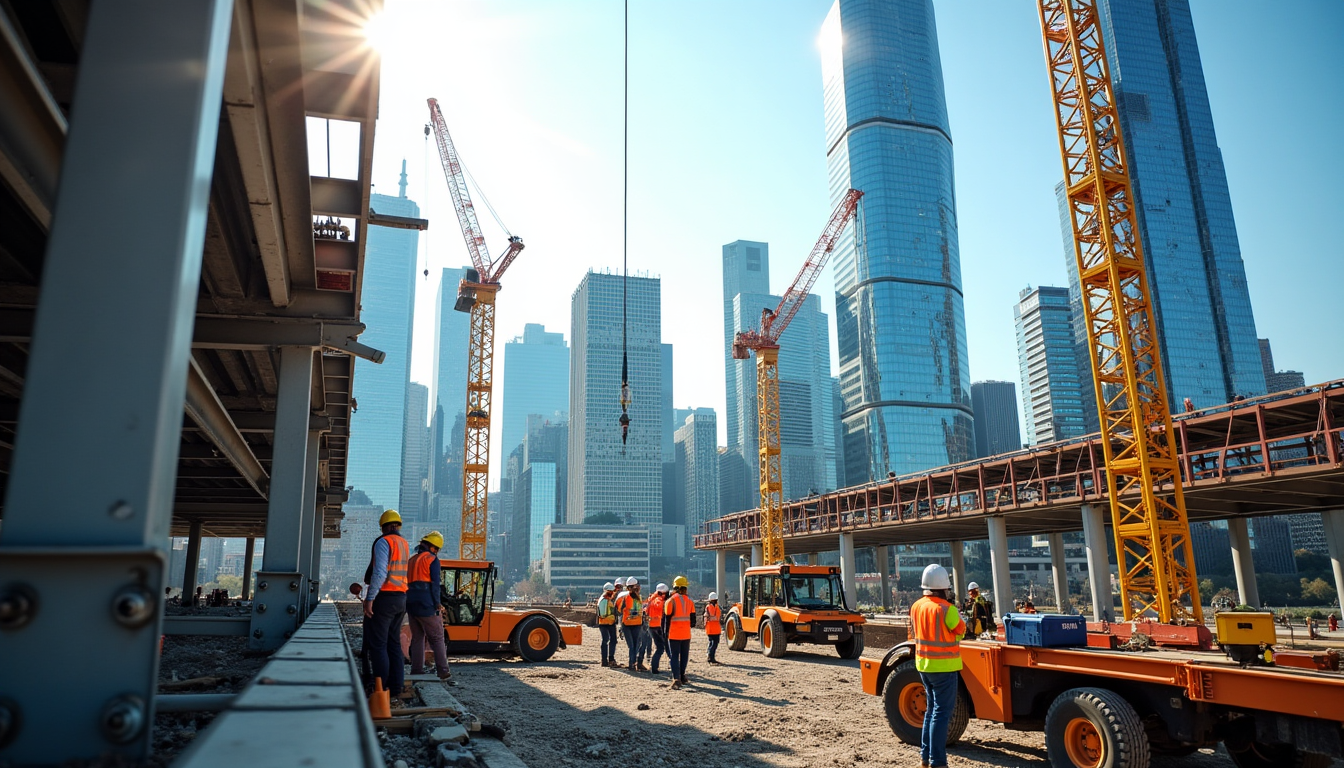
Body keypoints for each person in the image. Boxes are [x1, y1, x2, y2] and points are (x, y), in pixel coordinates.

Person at [911, 564, 966, 768]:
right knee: (941, 714)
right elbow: (961, 631)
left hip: (923, 665)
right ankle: (938, 762)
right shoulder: (947, 609)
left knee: (931, 711)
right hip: (944, 667)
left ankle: (926, 758)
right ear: (944, 587)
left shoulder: (916, 606)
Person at [363, 510, 409, 715]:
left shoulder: (384, 542)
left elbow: (380, 572)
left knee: (378, 644)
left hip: (385, 597)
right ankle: (396, 688)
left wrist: (370, 598)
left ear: (383, 526)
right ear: (397, 525)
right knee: (393, 644)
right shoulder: (404, 543)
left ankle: (381, 689)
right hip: (401, 598)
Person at [406, 531, 451, 681]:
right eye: (437, 549)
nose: (437, 552)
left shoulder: (411, 560)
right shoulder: (432, 560)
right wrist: (437, 603)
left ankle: (417, 670)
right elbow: (435, 585)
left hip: (411, 605)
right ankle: (443, 670)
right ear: (432, 547)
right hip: (427, 604)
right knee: (437, 637)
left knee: (417, 638)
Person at [663, 576, 696, 688]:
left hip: (674, 633)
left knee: (674, 656)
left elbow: (667, 619)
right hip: (686, 633)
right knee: (684, 656)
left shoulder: (670, 601)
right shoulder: (690, 601)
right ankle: (682, 676)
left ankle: (676, 678)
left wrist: (665, 633)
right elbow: (693, 622)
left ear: (675, 587)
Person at [615, 576, 644, 671]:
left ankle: (632, 663)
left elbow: (618, 610)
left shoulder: (625, 597)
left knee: (632, 646)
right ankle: (633, 663)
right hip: (635, 624)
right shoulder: (637, 597)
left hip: (627, 624)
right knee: (635, 645)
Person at [646, 583, 669, 674]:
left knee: (659, 647)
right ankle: (655, 667)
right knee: (663, 647)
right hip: (659, 626)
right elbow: (662, 609)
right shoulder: (659, 600)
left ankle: (654, 666)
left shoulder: (650, 599)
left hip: (651, 625)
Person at [596, 582, 619, 667]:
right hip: (606, 623)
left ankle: (606, 660)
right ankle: (608, 659)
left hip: (607, 622)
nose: (613, 593)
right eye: (611, 591)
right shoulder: (604, 600)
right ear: (608, 591)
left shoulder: (605, 598)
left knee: (608, 640)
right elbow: (603, 613)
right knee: (607, 640)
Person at [704, 592, 723, 664]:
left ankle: (710, 656)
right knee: (714, 643)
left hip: (712, 629)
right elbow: (715, 617)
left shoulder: (710, 607)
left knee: (712, 643)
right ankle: (710, 656)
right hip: (714, 629)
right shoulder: (713, 607)